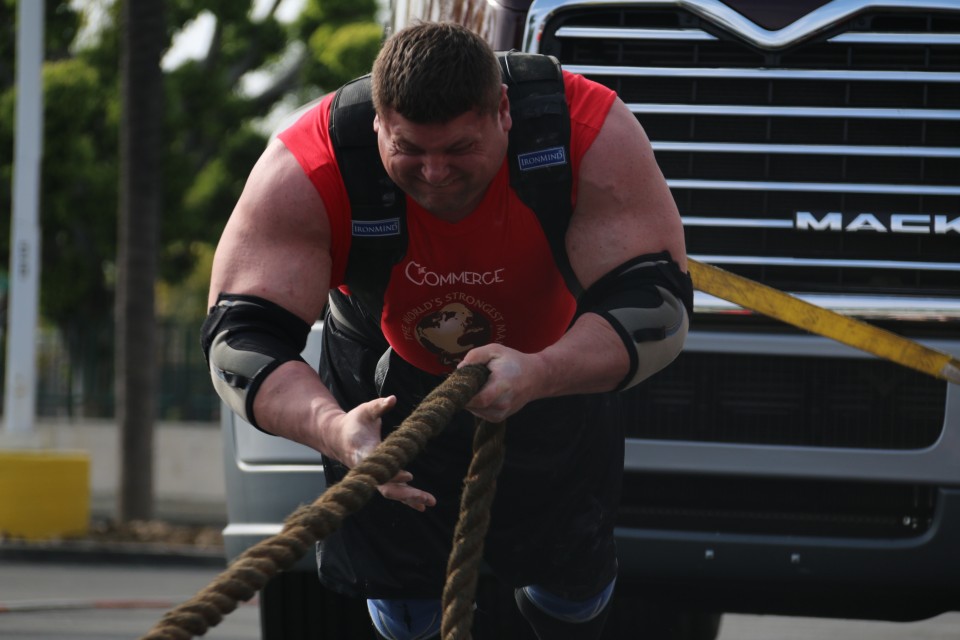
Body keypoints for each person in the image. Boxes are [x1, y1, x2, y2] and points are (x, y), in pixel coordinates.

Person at [202, 21, 691, 640]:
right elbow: (237, 344)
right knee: (404, 615)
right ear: (378, 125)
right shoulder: (308, 166)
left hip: (550, 368)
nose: (435, 174)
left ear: (503, 115)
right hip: (384, 380)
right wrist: (335, 431)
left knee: (572, 599)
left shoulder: (586, 132)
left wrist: (541, 372)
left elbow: (659, 309)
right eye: (409, 149)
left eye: (459, 149)